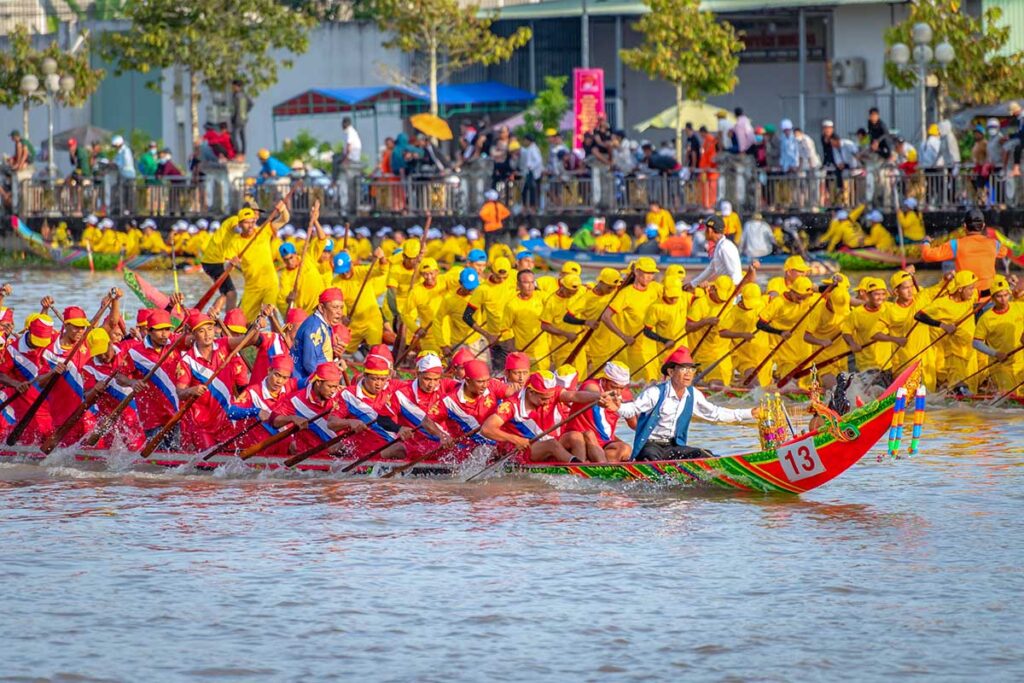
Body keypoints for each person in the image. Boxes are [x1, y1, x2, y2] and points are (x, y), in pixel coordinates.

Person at [614, 346, 758, 461]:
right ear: (671, 372)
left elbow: (715, 414)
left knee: (704, 454)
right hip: (650, 446)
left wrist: (749, 413)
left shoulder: (693, 394)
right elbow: (632, 409)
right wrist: (616, 406)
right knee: (652, 461)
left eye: (691, 369)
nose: (688, 373)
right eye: (683, 369)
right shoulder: (655, 392)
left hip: (673, 446)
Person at [479, 370, 613, 463]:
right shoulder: (511, 406)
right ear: (531, 392)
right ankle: (576, 466)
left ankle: (584, 466)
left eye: (550, 397)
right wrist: (516, 439)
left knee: (576, 435)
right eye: (544, 398)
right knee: (552, 445)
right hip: (523, 450)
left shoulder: (551, 393)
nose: (548, 401)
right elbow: (486, 429)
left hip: (546, 442)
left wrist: (598, 396)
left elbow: (574, 395)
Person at [921, 209, 1007, 295]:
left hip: (966, 298)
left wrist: (926, 242)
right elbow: (1004, 251)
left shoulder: (956, 244)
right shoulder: (994, 244)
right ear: (983, 226)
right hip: (989, 298)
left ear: (964, 226)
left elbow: (927, 255)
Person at [291, 288, 347, 380]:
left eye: (341, 307)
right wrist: (331, 376)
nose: (339, 312)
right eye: (335, 307)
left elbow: (320, 355)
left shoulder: (324, 324)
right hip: (304, 382)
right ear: (321, 308)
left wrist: (334, 356)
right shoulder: (315, 328)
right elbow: (309, 364)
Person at [692, 215, 742, 285]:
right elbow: (711, 268)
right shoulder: (720, 245)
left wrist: (731, 294)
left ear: (710, 231)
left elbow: (735, 275)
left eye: (706, 229)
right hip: (725, 289)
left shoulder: (725, 246)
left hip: (730, 291)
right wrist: (693, 284)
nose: (704, 231)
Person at [230, 80, 253, 156]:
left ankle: (238, 152)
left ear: (237, 87)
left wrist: (233, 117)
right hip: (244, 118)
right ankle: (243, 152)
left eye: (233, 86)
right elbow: (251, 104)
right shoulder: (245, 95)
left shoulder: (236, 95)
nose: (232, 88)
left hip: (237, 119)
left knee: (233, 136)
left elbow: (234, 108)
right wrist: (245, 111)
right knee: (242, 136)